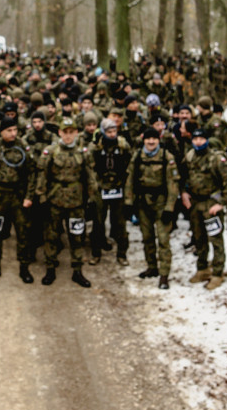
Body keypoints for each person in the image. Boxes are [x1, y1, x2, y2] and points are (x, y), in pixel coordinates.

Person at [36, 117, 97, 288]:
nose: (68, 136)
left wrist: (91, 197)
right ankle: (50, 268)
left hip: (76, 201)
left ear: (76, 133)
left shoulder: (83, 152)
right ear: (60, 133)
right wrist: (41, 197)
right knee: (51, 236)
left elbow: (90, 176)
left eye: (71, 132)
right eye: (65, 132)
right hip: (55, 199)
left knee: (76, 236)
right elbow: (42, 175)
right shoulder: (51, 151)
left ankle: (77, 270)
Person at [0, 117, 35, 282]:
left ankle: (24, 268)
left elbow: (32, 172)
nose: (13, 133)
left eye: (15, 130)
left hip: (18, 195)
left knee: (23, 232)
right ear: (1, 132)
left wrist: (29, 196)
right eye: (9, 130)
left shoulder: (22, 145)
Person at [124, 128, 180, 289]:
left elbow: (173, 184)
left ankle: (164, 275)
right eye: (148, 139)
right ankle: (152, 267)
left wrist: (170, 207)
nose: (150, 142)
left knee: (163, 240)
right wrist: (129, 202)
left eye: (154, 139)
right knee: (147, 237)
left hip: (161, 203)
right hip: (143, 203)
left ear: (158, 140)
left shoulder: (166, 157)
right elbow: (130, 180)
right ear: (143, 140)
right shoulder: (137, 156)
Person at [183, 129, 227, 290]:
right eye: (195, 139)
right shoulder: (189, 157)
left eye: (201, 139)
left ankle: (217, 273)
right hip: (195, 203)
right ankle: (202, 268)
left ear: (207, 140)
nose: (198, 142)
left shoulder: (216, 158)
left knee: (215, 239)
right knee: (199, 238)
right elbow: (183, 177)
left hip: (211, 204)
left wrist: (221, 202)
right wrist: (184, 193)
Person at [89, 118, 132, 266]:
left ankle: (122, 254)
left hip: (118, 187)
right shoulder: (96, 147)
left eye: (114, 131)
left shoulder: (123, 145)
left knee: (120, 223)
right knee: (98, 222)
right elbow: (90, 168)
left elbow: (129, 166)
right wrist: (94, 186)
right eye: (109, 132)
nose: (112, 134)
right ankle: (96, 253)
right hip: (101, 187)